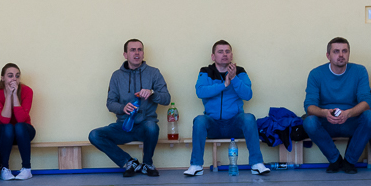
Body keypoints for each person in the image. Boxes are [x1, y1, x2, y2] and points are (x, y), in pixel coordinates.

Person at [183, 40, 269, 176]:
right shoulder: (205, 71)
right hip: (213, 125)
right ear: (213, 56)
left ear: (232, 55)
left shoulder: (240, 72)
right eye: (220, 52)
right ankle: (196, 165)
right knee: (199, 120)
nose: (224, 54)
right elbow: (200, 92)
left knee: (249, 118)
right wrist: (224, 85)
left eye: (227, 51)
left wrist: (234, 78)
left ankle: (257, 164)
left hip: (234, 124)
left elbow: (248, 95)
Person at [88, 39, 169, 177]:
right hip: (123, 127)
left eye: (139, 50)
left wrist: (152, 93)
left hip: (145, 126)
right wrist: (122, 108)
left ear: (143, 53)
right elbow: (110, 103)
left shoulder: (154, 73)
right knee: (95, 135)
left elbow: (166, 99)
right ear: (125, 55)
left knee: (152, 127)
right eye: (132, 50)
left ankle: (147, 164)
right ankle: (129, 162)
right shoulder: (116, 76)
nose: (137, 53)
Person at [302, 37, 371, 174]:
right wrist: (325, 113)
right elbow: (309, 106)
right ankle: (335, 160)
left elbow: (367, 102)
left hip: (351, 121)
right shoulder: (315, 74)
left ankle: (349, 161)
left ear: (349, 53)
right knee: (309, 122)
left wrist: (348, 113)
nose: (341, 55)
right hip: (327, 122)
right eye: (336, 51)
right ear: (328, 55)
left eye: (344, 51)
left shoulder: (359, 71)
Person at [0, 63, 34, 180]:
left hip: (23, 132)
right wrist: (8, 95)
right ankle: (4, 169)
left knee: (19, 126)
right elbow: (5, 120)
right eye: (10, 76)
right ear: (2, 78)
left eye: (17, 76)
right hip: (2, 132)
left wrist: (15, 95)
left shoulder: (27, 91)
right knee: (8, 127)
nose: (14, 79)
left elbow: (21, 119)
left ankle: (27, 169)